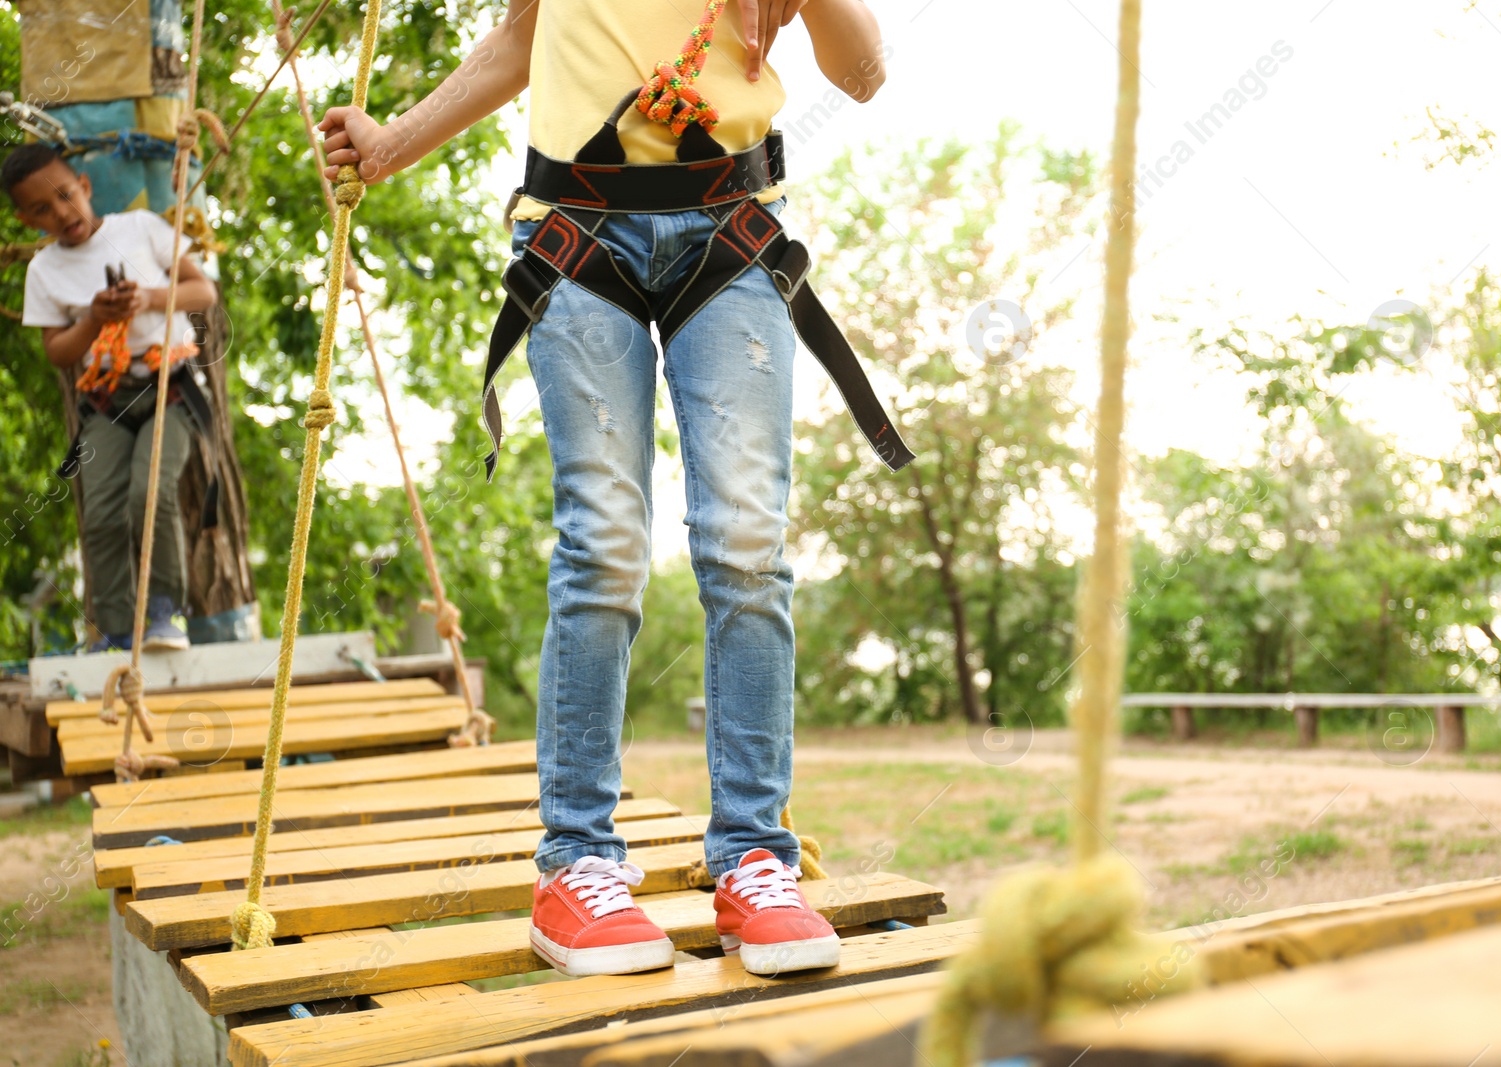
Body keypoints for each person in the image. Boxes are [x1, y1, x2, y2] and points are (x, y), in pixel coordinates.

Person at [318, 0, 890, 977]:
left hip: (732, 228)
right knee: (607, 541)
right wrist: (388, 146)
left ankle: (755, 855)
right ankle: (576, 863)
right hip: (579, 231)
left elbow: (863, 70)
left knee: (747, 543)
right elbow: (516, 40)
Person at [7, 143, 217, 653]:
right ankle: (118, 630)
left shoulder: (139, 228)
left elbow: (202, 291)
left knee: (149, 492)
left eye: (64, 195)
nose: (59, 212)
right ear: (25, 219)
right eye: (40, 209)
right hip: (106, 400)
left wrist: (146, 298)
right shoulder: (44, 271)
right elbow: (58, 351)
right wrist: (96, 319)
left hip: (170, 387)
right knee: (100, 513)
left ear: (85, 185)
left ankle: (165, 615)